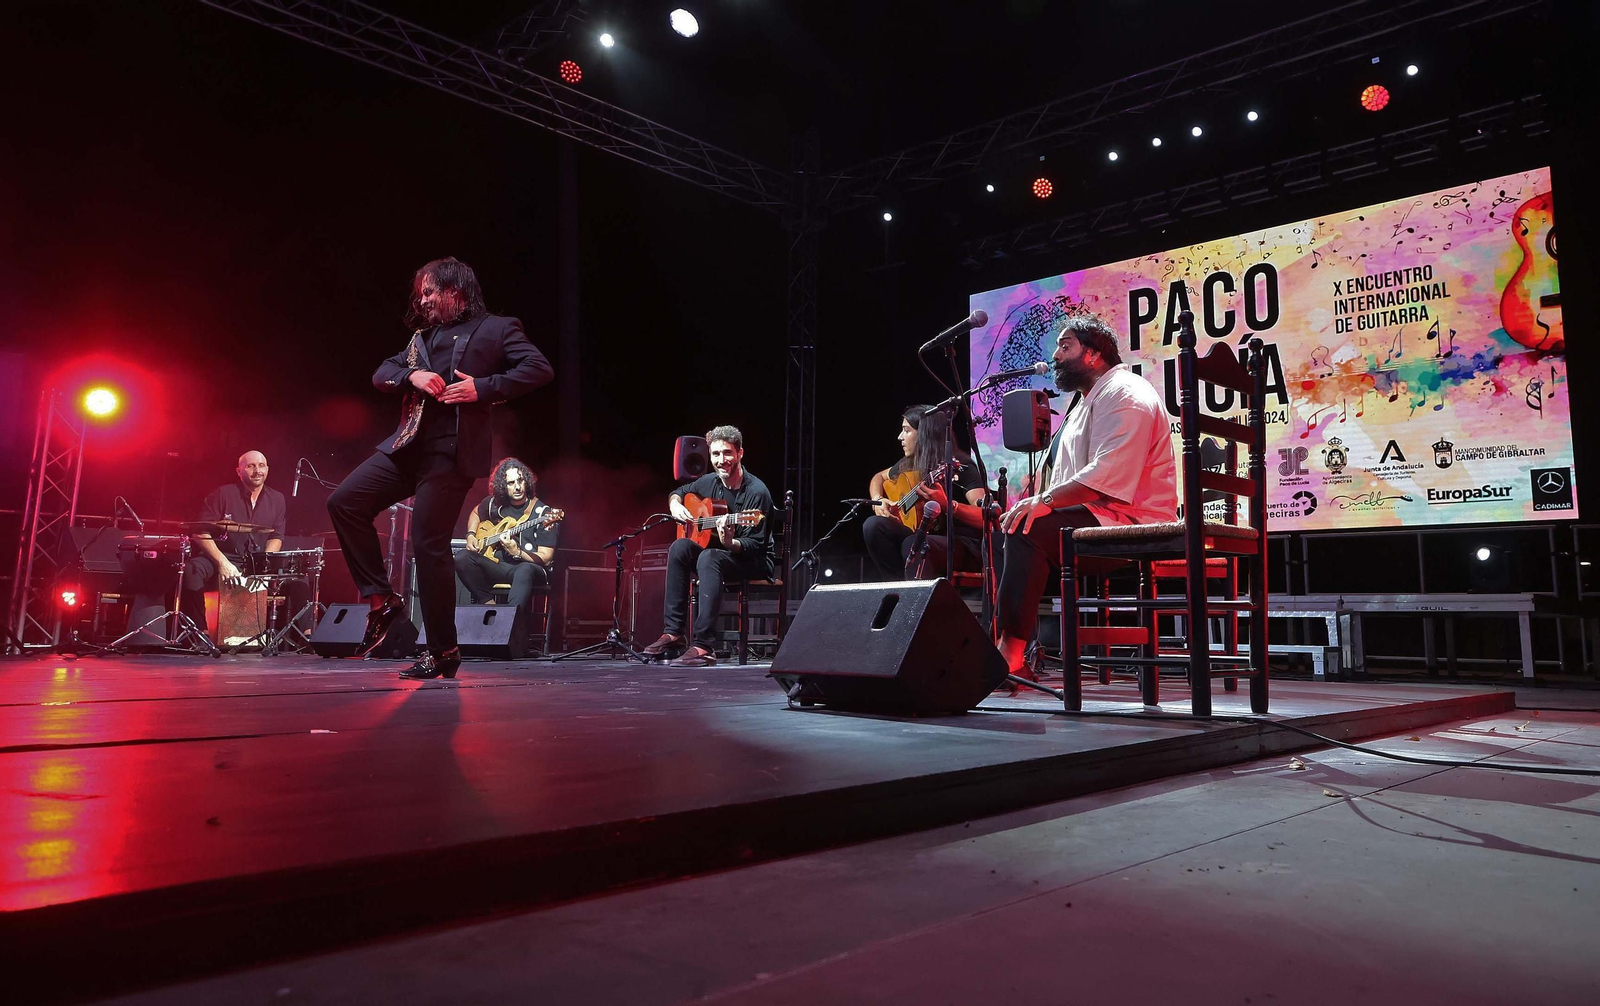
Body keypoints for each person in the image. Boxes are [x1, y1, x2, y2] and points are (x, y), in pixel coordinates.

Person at [327, 257, 553, 680]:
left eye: (430, 291)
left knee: (428, 546)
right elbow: (382, 372)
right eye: (421, 293)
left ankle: (443, 650)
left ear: (455, 291)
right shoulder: (422, 338)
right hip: (407, 447)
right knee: (344, 502)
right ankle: (382, 600)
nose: (423, 299)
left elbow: (538, 369)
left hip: (451, 454)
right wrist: (412, 376)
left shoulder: (499, 328)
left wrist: (481, 388)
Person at [994, 313, 1177, 679]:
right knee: (1014, 524)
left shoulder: (1125, 391)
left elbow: (1105, 475)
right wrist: (1034, 502)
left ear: (1093, 354)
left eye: (1066, 346)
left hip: (1135, 522)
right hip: (1101, 515)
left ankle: (1007, 659)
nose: (1057, 356)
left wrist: (1043, 502)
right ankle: (1005, 647)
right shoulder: (1086, 401)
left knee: (1027, 528)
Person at [641, 425, 774, 667]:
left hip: (752, 560)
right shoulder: (708, 482)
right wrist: (675, 504)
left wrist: (728, 541)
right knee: (680, 547)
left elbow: (755, 545)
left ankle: (703, 645)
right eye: (715, 454)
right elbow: (679, 491)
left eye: (727, 453)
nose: (721, 460)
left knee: (709, 556)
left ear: (740, 453)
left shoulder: (757, 492)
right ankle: (674, 633)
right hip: (719, 555)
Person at [861, 405, 991, 580]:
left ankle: (919, 602)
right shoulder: (909, 463)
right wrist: (879, 499)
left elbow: (985, 516)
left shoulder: (962, 465)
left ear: (924, 434)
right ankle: (898, 591)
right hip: (923, 537)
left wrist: (948, 506)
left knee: (914, 543)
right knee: (873, 526)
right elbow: (879, 477)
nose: (900, 437)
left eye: (906, 431)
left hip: (962, 545)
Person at [180, 450, 285, 631]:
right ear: (239, 471)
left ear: (267, 469)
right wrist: (222, 562)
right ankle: (200, 632)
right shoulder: (222, 494)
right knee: (191, 570)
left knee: (300, 581)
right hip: (221, 556)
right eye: (250, 466)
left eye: (261, 466)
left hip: (255, 560)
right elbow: (199, 532)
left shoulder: (277, 499)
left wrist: (265, 566)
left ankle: (305, 637)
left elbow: (276, 536)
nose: (257, 471)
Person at [454, 457, 559, 615]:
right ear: (503, 486)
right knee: (461, 558)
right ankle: (490, 605)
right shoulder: (494, 504)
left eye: (520, 481)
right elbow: (475, 512)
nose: (517, 487)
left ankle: (511, 622)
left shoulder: (544, 513)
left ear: (527, 481)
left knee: (524, 570)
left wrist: (517, 552)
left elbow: (547, 557)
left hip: (528, 568)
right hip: (497, 565)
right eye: (511, 483)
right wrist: (470, 535)